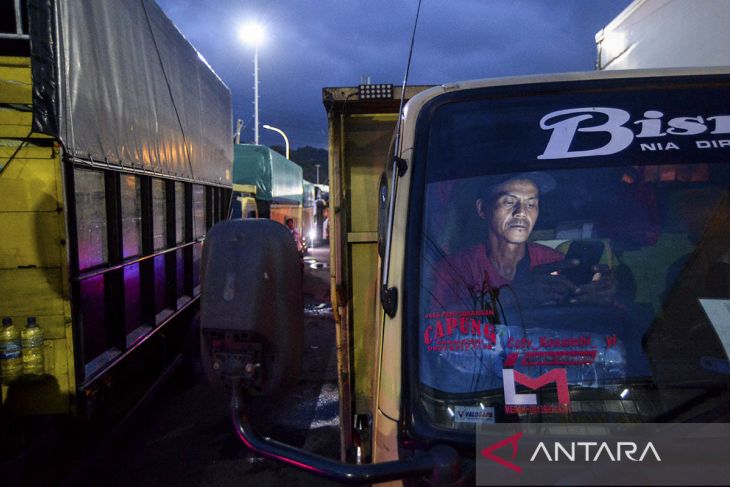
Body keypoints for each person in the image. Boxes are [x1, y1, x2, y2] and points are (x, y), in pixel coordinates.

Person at [431, 173, 615, 313]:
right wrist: (515, 297)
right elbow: (433, 326)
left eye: (531, 204)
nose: (521, 213)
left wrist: (598, 297)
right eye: (509, 202)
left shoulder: (554, 262)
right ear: (482, 209)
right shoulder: (455, 269)